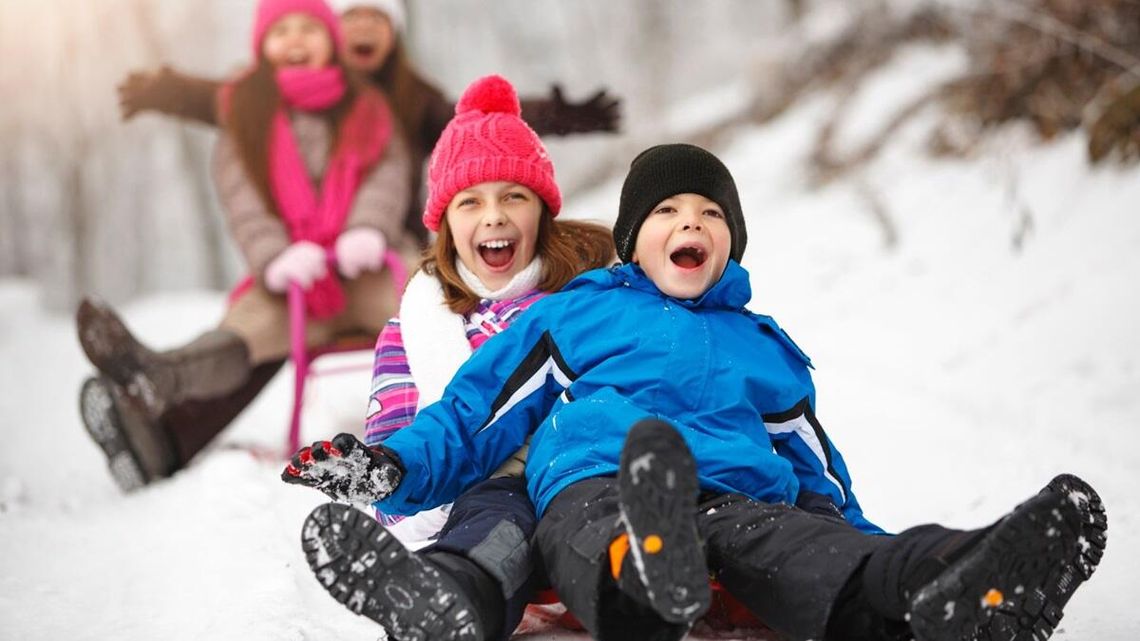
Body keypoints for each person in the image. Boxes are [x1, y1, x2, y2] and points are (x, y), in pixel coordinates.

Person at [287, 143, 1107, 641]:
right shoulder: (582, 313)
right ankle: (638, 580)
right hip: (601, 481)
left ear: (729, 241)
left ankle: (958, 578)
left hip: (738, 495)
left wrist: (852, 536)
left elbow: (817, 468)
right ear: (634, 239)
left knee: (813, 549)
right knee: (588, 529)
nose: (691, 222)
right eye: (669, 210)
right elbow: (476, 411)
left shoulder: (762, 347)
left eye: (711, 212)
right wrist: (390, 466)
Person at [282, 74, 614, 641]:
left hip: (585, 469)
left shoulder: (590, 295)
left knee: (591, 520)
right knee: (495, 529)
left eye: (514, 195)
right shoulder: (415, 329)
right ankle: (442, 600)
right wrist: (379, 473)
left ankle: (646, 583)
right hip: (483, 485)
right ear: (446, 224)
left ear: (542, 211)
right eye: (470, 201)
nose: (494, 216)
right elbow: (402, 431)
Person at [78, 0, 415, 491]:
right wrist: (274, 255)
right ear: (262, 47)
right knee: (245, 329)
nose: (296, 40)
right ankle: (157, 376)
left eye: (308, 29)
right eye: (281, 32)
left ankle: (484, 402)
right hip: (297, 279)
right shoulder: (246, 114)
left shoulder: (366, 106)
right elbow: (243, 197)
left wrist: (368, 226)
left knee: (430, 303)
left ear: (331, 41)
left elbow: (388, 171)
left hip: (368, 265)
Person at [115, 0, 622, 247]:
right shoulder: (299, 94)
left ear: (392, 35)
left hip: (390, 237)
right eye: (351, 18)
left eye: (376, 19)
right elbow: (224, 100)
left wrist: (556, 115)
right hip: (307, 239)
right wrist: (165, 88)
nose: (362, 28)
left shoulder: (411, 98)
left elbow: (471, 118)